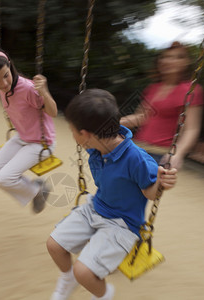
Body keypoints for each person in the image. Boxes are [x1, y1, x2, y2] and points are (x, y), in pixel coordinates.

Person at [47, 89, 177, 300]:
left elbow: (150, 193)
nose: (72, 135)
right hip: (95, 207)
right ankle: (67, 278)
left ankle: (104, 295)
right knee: (54, 245)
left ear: (85, 134)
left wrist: (162, 184)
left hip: (122, 224)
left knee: (84, 272)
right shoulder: (95, 149)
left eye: (72, 130)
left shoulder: (136, 159)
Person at [0, 46, 58, 213]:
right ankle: (35, 190)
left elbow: (52, 112)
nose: (3, 83)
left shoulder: (29, 89)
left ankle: (38, 191)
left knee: (5, 178)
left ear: (9, 66)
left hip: (41, 143)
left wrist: (44, 91)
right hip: (23, 138)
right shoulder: (5, 88)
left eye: (6, 75)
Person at [120, 41, 204, 170]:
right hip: (135, 148)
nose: (168, 61)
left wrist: (178, 154)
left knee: (142, 190)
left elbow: (191, 129)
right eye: (165, 57)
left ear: (185, 63)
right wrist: (113, 124)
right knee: (114, 186)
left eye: (176, 57)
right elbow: (141, 117)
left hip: (159, 155)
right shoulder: (152, 88)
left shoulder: (191, 90)